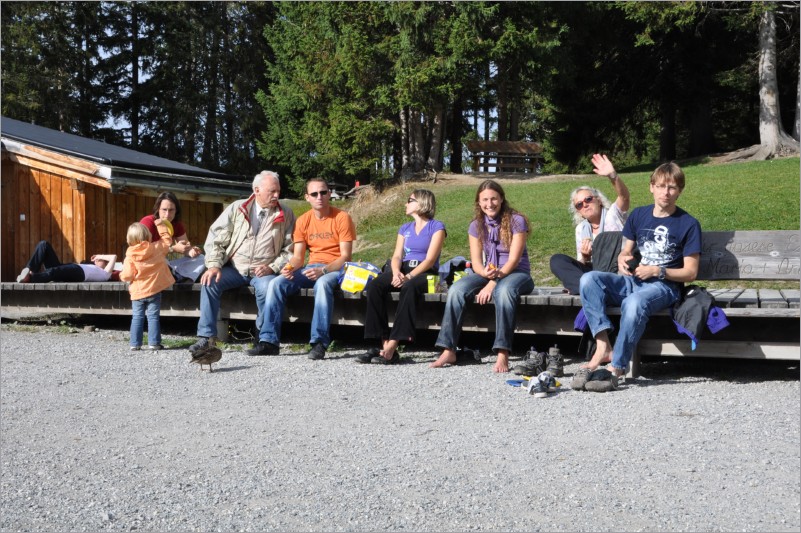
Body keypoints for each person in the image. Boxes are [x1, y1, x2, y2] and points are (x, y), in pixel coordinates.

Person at [578, 161, 701, 379]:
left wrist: (657, 271)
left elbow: (690, 273)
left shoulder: (688, 224)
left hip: (664, 287)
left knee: (633, 302)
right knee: (589, 279)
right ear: (651, 187)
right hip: (634, 280)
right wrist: (623, 258)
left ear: (679, 191)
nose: (666, 192)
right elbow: (625, 251)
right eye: (661, 186)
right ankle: (603, 344)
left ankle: (616, 366)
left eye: (672, 187)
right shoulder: (639, 215)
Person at [430, 180, 534, 373]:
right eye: (485, 199)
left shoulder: (516, 220)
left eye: (494, 198)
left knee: (504, 292)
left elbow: (514, 260)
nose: (490, 203)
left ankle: (503, 352)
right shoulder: (476, 226)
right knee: (457, 289)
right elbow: (476, 263)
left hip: (518, 274)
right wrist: (485, 273)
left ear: (502, 199)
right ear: (478, 202)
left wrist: (493, 282)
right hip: (490, 272)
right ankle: (448, 348)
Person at [187, 171, 296, 356]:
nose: (276, 195)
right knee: (209, 281)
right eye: (272, 191)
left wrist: (273, 267)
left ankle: (263, 338)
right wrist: (214, 265)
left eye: (278, 191)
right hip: (235, 269)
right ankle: (206, 338)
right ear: (257, 190)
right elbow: (216, 239)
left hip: (264, 271)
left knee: (269, 288)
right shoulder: (237, 208)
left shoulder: (285, 213)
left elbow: (290, 249)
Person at [258, 178, 356, 360]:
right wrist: (288, 268)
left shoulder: (342, 218)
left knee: (323, 284)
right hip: (312, 267)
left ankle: (319, 342)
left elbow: (345, 257)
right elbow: (298, 257)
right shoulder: (303, 221)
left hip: (335, 269)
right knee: (277, 283)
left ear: (329, 194)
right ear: (307, 198)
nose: (320, 197)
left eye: (323, 192)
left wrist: (324, 270)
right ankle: (269, 341)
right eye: (314, 194)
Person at [357, 189, 446, 364]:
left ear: (422, 203)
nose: (406, 204)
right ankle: (383, 344)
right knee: (375, 286)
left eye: (409, 200)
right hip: (403, 269)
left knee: (409, 287)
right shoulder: (404, 228)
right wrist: (396, 272)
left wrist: (409, 276)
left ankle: (394, 343)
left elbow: (430, 259)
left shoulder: (437, 227)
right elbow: (397, 255)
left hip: (425, 272)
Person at [549, 153, 630, 295]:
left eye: (588, 199)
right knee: (557, 260)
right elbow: (582, 263)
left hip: (616, 269)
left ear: (599, 200)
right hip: (594, 270)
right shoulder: (581, 229)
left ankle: (587, 288)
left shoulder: (613, 214)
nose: (585, 204)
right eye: (579, 204)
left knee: (605, 241)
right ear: (578, 212)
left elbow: (624, 196)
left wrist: (612, 175)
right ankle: (592, 289)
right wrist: (585, 257)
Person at [120, 220, 175, 351]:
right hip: (154, 291)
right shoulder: (156, 248)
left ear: (129, 239)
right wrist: (161, 225)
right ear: (149, 236)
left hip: (138, 292)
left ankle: (135, 344)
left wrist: (121, 276)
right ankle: (154, 343)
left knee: (137, 317)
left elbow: (127, 275)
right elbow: (167, 240)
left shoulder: (130, 256)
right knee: (153, 317)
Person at [15, 241, 117, 283]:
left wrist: (100, 255)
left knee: (53, 272)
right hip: (73, 268)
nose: (97, 260)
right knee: (44, 244)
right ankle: (30, 270)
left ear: (105, 265)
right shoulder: (91, 266)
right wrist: (98, 258)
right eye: (97, 258)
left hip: (79, 273)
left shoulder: (105, 274)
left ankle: (31, 278)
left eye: (101, 260)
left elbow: (114, 257)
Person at [140, 192, 202, 258]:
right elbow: (142, 251)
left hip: (161, 262)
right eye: (164, 209)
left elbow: (186, 247)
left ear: (176, 211)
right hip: (144, 263)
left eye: (171, 210)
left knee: (200, 258)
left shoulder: (176, 224)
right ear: (158, 209)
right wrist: (173, 249)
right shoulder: (148, 222)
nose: (167, 215)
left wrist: (191, 251)